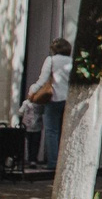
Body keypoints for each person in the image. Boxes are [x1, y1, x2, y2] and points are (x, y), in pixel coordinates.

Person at [26, 37, 72, 168]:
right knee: (65, 131)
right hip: (68, 100)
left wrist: (32, 92)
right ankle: (64, 162)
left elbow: (43, 80)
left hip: (54, 99)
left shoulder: (51, 60)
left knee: (52, 131)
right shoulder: (72, 62)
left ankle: (53, 162)